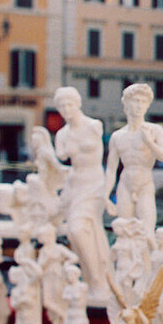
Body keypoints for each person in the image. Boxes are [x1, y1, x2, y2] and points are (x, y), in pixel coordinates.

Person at [52, 86, 111, 300]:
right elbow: (59, 156)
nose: (66, 109)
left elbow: (98, 152)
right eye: (62, 106)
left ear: (78, 104)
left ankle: (97, 280)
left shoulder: (94, 125)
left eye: (69, 104)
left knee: (78, 229)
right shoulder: (62, 134)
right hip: (74, 184)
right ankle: (89, 278)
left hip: (94, 182)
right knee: (75, 234)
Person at [104, 83, 163, 233]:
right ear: (127, 103)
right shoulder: (117, 136)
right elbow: (110, 169)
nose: (140, 105)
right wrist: (106, 195)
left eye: (143, 102)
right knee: (125, 231)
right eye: (136, 101)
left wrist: (149, 142)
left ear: (147, 105)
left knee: (147, 232)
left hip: (145, 184)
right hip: (125, 184)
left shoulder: (155, 130)